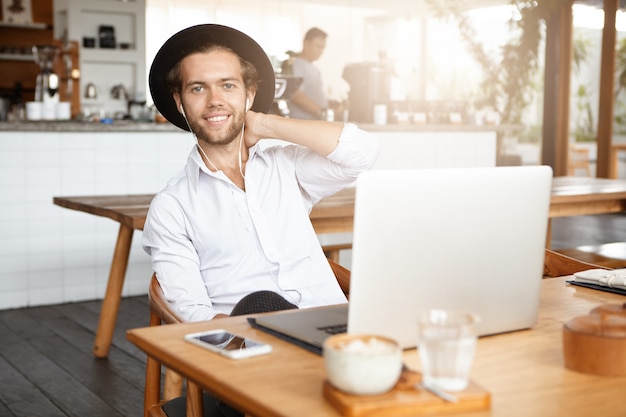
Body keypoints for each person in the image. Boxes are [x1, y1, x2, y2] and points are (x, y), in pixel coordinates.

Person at [143, 24, 379, 324]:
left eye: (228, 85)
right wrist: (243, 337)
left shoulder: (285, 167)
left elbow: (363, 153)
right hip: (255, 344)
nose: (214, 99)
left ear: (249, 95)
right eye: (198, 88)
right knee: (260, 306)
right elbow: (190, 311)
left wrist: (266, 125)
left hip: (336, 331)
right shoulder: (172, 207)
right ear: (180, 102)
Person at [288, 27, 329, 120]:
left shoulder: (314, 68)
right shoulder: (296, 64)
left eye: (323, 48)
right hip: (302, 123)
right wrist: (322, 111)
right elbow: (295, 95)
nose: (321, 51)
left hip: (316, 122)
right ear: (306, 43)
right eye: (318, 46)